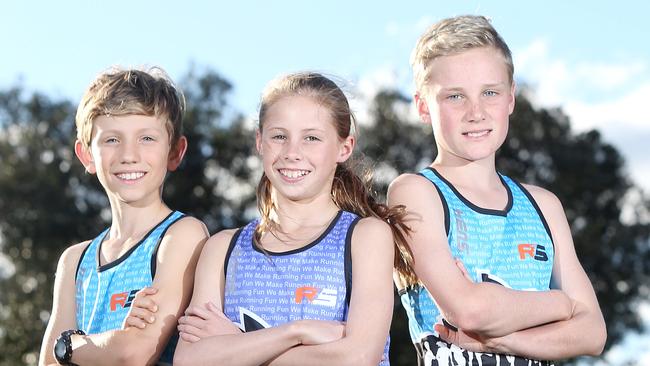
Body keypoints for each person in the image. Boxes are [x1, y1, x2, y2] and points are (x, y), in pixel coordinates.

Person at [127, 71, 416, 365]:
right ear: (260, 142)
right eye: (279, 136)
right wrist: (296, 332)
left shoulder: (365, 236)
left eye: (312, 138)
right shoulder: (223, 249)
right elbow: (191, 361)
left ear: (345, 147)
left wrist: (238, 345)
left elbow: (358, 356)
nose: (292, 152)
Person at [388, 15, 607, 365]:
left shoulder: (543, 206)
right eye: (455, 97)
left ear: (510, 99)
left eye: (490, 92)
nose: (476, 112)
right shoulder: (415, 193)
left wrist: (499, 338)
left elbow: (593, 333)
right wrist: (561, 305)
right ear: (423, 106)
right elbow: (469, 312)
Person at [38, 67, 208, 366]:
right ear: (86, 155)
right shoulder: (75, 262)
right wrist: (114, 340)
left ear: (175, 152)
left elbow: (135, 353)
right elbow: (47, 364)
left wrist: (69, 344)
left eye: (147, 138)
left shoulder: (181, 235)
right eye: (112, 140)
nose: (129, 155)